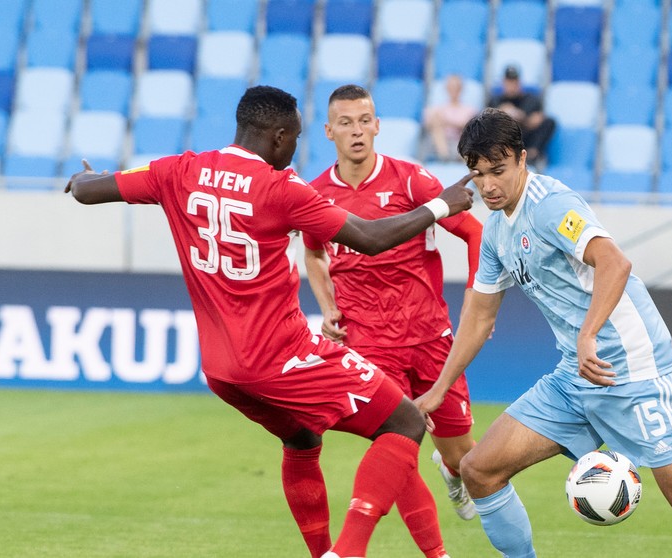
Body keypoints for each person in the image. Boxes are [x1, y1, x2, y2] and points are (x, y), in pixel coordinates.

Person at [65, 85, 474, 558]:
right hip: (283, 355)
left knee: (301, 439)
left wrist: (80, 179)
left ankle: (320, 553)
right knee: (404, 422)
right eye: (295, 139)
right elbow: (369, 237)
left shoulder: (179, 169)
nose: (296, 149)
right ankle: (347, 553)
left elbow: (87, 190)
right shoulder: (282, 188)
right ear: (279, 137)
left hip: (222, 370)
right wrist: (441, 205)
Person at [415, 108, 672, 558]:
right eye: (478, 174)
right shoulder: (496, 232)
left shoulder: (550, 206)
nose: (487, 186)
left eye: (498, 170)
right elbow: (480, 317)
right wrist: (439, 389)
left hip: (633, 370)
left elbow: (615, 262)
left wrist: (587, 335)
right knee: (478, 470)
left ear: (523, 159)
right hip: (575, 375)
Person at [302, 85, 483, 530]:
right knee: (396, 446)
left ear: (378, 126)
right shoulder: (315, 194)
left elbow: (475, 233)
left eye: (365, 120)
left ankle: (451, 470)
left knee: (465, 458)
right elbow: (313, 253)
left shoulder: (411, 180)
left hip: (431, 336)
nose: (357, 131)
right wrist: (327, 307)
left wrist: (479, 305)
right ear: (329, 131)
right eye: (345, 123)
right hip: (369, 342)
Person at [487, 65, 555, 170]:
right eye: (508, 82)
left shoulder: (531, 99)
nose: (511, 85)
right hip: (506, 140)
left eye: (514, 82)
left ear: (519, 83)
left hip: (526, 136)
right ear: (503, 83)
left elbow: (536, 119)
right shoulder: (496, 100)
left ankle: (532, 153)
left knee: (549, 122)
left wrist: (517, 116)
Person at [423, 74, 479, 162]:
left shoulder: (469, 109)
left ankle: (453, 156)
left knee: (466, 133)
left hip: (459, 142)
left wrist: (447, 122)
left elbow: (469, 126)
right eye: (451, 87)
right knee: (436, 128)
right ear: (447, 89)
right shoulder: (438, 109)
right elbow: (428, 123)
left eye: (456, 87)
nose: (453, 90)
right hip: (441, 142)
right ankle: (444, 156)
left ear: (461, 89)